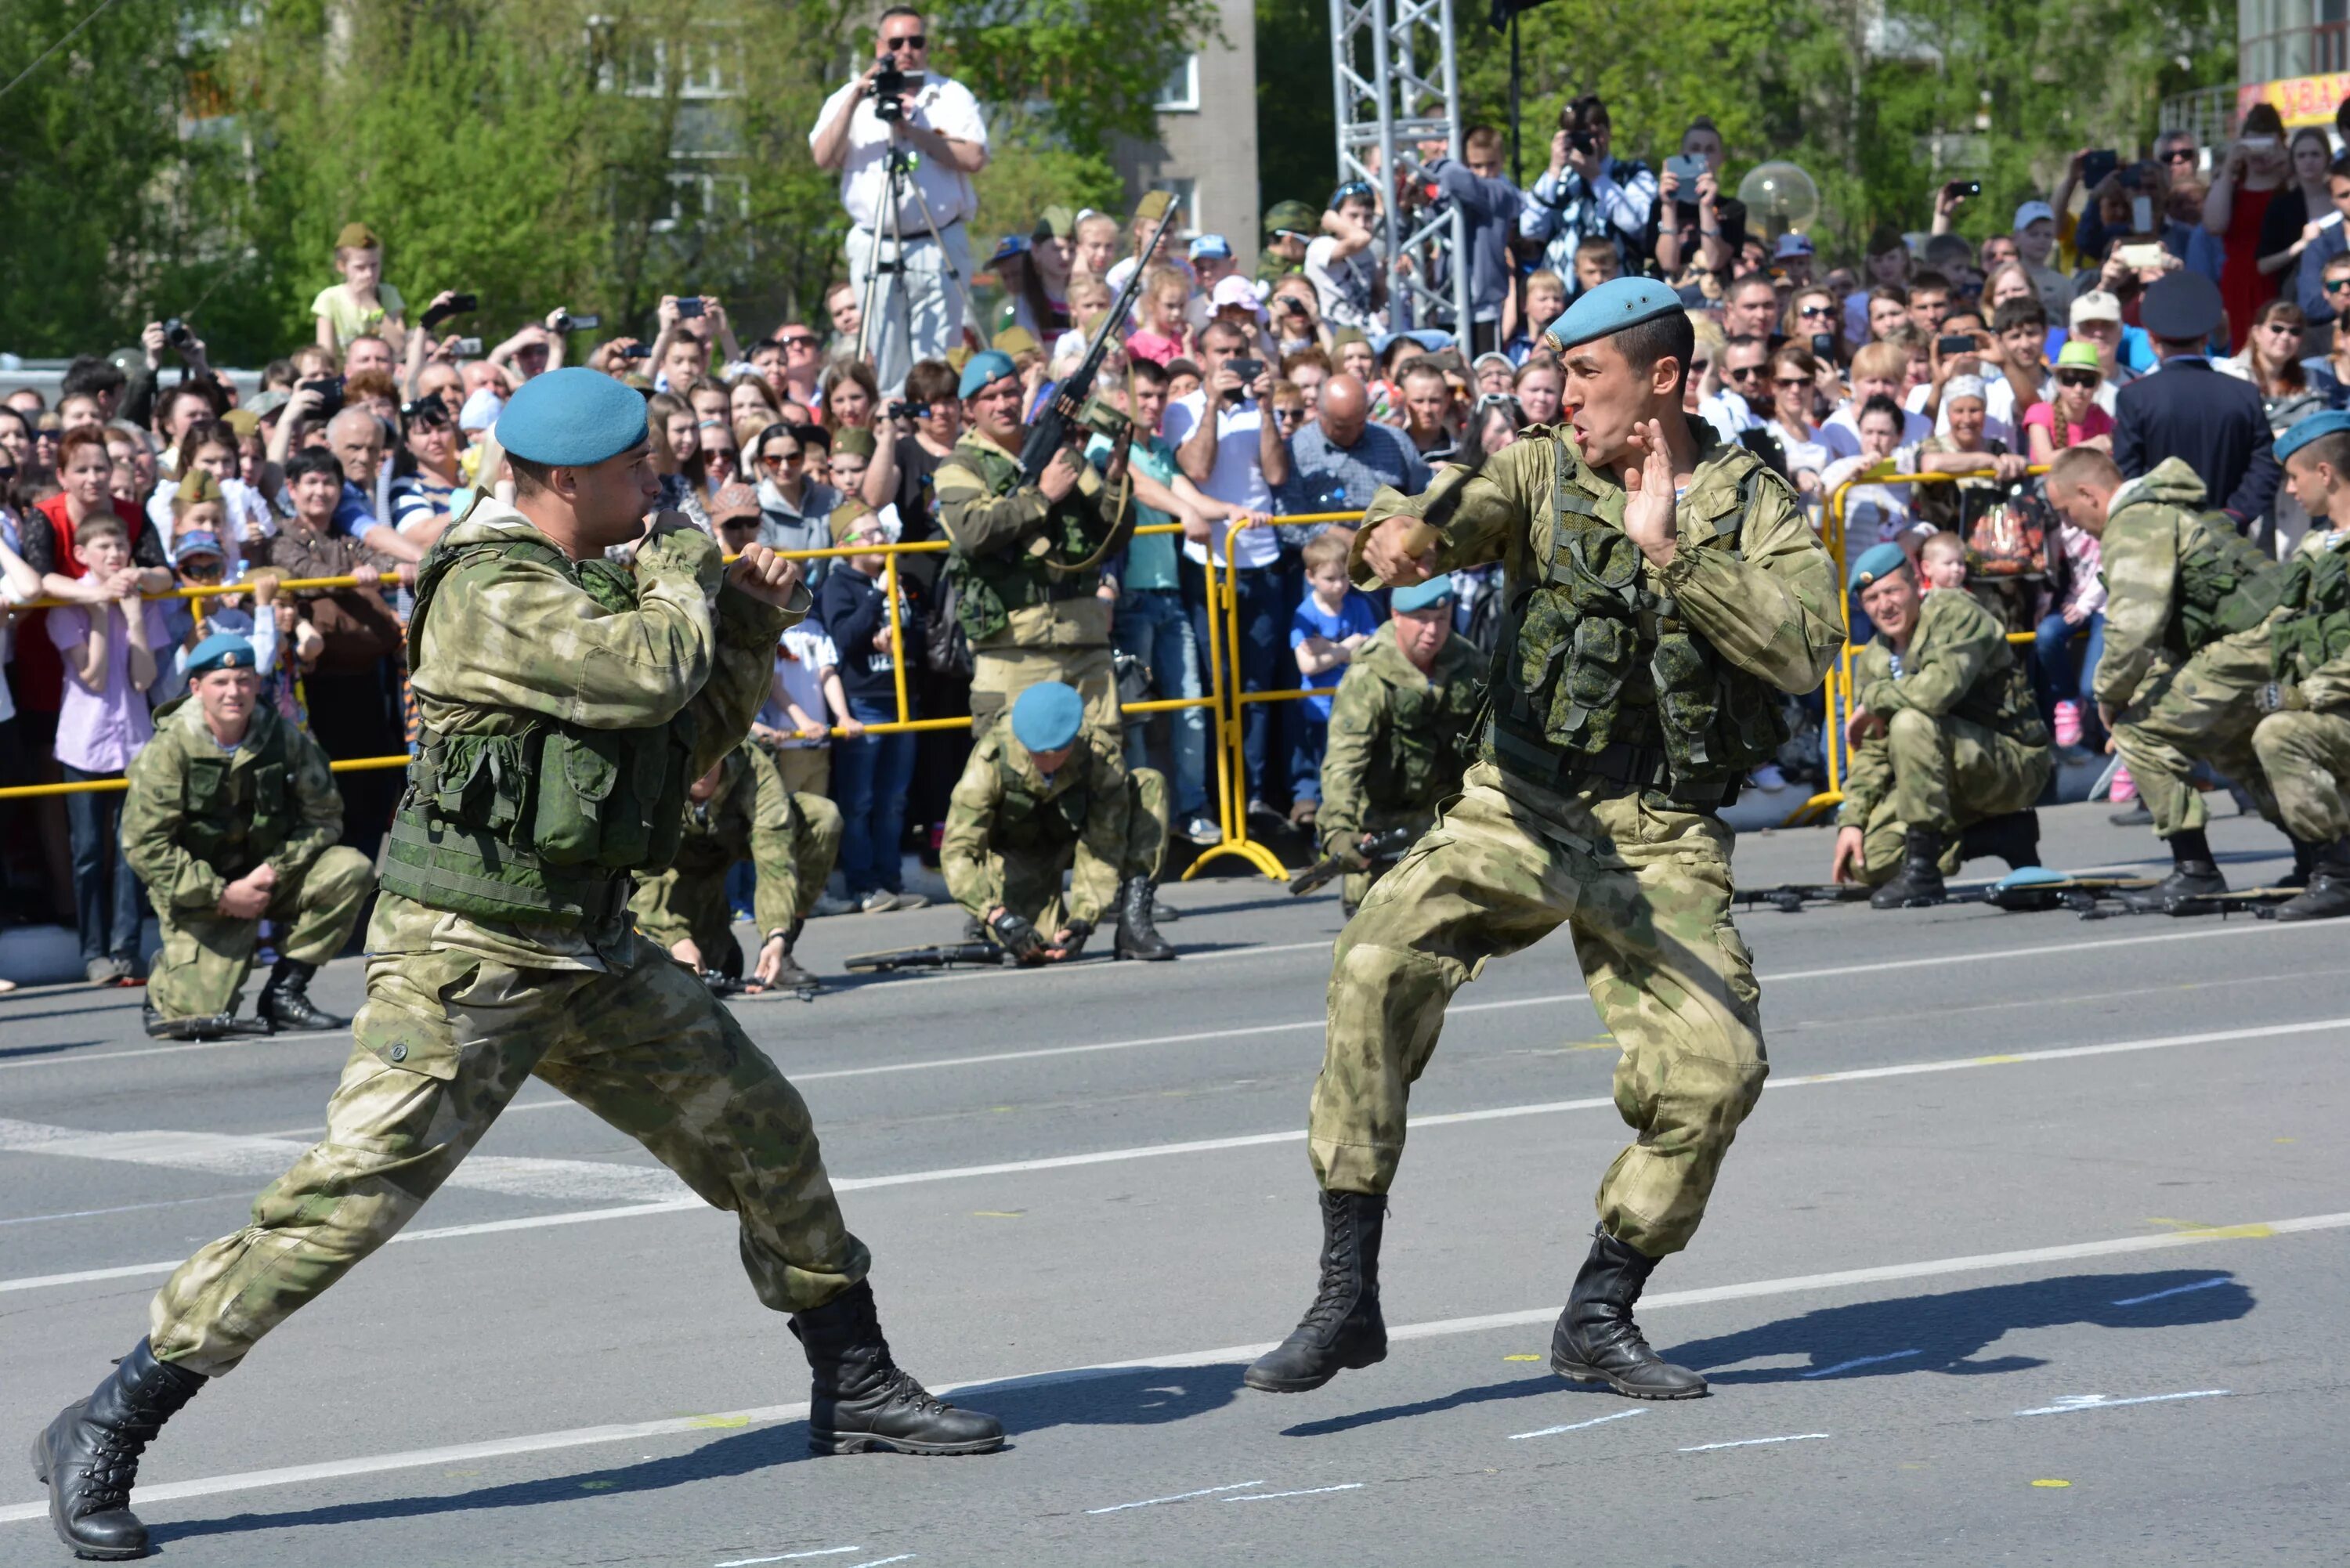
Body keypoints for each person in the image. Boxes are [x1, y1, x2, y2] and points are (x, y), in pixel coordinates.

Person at [29, 367, 1006, 1563]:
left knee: (763, 1126)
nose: (656, 484)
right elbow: (649, 668)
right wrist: (685, 573)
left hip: (587, 941)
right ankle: (108, 1420)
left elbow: (685, 745)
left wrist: (743, 619)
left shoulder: (589, 581)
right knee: (343, 1205)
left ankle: (853, 1377)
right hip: (470, 958)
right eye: (634, 470)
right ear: (558, 481)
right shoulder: (491, 588)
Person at [1244, 277, 1842, 1402]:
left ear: (1660, 377)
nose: (1563, 394)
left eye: (1585, 373)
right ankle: (1346, 1292)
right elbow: (1453, 514)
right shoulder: (1539, 466)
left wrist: (1673, 554)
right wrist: (1410, 544)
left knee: (1719, 1073)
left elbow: (1804, 649)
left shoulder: (1748, 499)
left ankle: (1600, 1308)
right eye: (1558, 373)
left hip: (1659, 829)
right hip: (1518, 801)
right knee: (1375, 957)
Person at [2044, 444, 2287, 910]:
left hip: (2248, 648)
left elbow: (2136, 627)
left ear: (2088, 494)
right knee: (2239, 749)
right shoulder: (2170, 506)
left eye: (2066, 511)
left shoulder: (2133, 524)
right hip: (2266, 645)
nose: (2068, 524)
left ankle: (2194, 869)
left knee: (2140, 734)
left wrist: (2110, 697)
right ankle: (2321, 856)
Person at [120, 632, 374, 1039]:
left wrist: (271, 873)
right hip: (202, 895)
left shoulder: (283, 736)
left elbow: (325, 817)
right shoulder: (169, 750)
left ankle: (285, 991)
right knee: (196, 1016)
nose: (233, 692)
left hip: (270, 880)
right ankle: (166, 980)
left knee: (351, 869)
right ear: (197, 689)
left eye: (243, 680)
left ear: (257, 684)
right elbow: (145, 845)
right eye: (221, 682)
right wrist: (221, 894)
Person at [1828, 544, 2051, 907]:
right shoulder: (1874, 658)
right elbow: (1872, 751)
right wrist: (1850, 820)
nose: (1883, 605)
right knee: (1868, 860)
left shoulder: (1956, 614)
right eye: (1871, 598)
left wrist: (1875, 699)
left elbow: (1938, 691)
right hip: (1937, 774)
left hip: (2009, 764)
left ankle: (1924, 872)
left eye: (1892, 591)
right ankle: (2001, 836)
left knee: (1910, 722)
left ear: (1917, 584)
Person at [936, 349, 1133, 750]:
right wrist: (1042, 496)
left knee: (1102, 758)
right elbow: (973, 530)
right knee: (1011, 761)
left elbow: (1112, 534)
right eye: (989, 397)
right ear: (969, 407)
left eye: (1010, 392)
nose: (1004, 404)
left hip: (1083, 637)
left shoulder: (1062, 454)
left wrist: (1115, 479)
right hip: (1014, 645)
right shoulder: (960, 465)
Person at [808, 5, 989, 389]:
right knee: (883, 347)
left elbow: (974, 157)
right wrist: (859, 94)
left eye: (916, 41)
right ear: (879, 47)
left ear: (926, 46)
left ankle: (935, 421)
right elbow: (823, 156)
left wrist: (912, 129)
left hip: (937, 238)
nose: (907, 50)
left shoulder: (951, 95)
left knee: (939, 355)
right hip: (877, 242)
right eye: (896, 43)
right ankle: (894, 425)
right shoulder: (849, 99)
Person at [940, 680, 1173, 963]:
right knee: (1038, 947)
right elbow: (957, 849)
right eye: (1038, 754)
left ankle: (1134, 925)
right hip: (1020, 852)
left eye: (1058, 754)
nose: (1047, 764)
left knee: (1148, 785)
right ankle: (986, 919)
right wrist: (995, 915)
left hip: (1074, 838)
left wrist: (1085, 917)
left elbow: (1105, 843)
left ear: (1073, 739)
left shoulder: (1099, 755)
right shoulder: (992, 759)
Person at [1098, 359, 1227, 844]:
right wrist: (1189, 512)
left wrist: (1237, 511)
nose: (1152, 406)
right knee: (1134, 715)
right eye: (1143, 397)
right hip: (1128, 598)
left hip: (1168, 596)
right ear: (1120, 401)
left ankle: (1192, 809)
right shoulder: (1105, 446)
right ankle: (1141, 818)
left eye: (1158, 397)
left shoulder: (1159, 451)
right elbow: (1139, 484)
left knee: (1191, 704)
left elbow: (1183, 491)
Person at [1312, 573, 1483, 913]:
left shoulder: (1468, 662)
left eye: (1442, 619)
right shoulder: (1370, 675)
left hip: (1444, 831)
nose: (1432, 632)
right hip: (1379, 836)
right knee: (1372, 956)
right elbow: (1344, 763)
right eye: (1421, 620)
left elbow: (1489, 748)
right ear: (1396, 616)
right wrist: (1339, 832)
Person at [49, 510, 169, 985]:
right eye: (103, 547)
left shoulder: (140, 599)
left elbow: (143, 678)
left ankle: (125, 949)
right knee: (87, 850)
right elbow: (93, 675)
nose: (115, 554)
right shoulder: (66, 606)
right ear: (82, 555)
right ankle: (93, 951)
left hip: (135, 742)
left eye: (120, 545)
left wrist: (135, 616)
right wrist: (99, 613)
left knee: (129, 850)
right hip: (83, 742)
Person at [629, 739, 832, 995]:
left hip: (737, 838)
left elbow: (776, 859)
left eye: (709, 763)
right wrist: (675, 939)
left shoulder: (754, 767)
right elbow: (637, 873)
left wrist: (777, 934)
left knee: (822, 817)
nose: (701, 771)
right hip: (679, 863)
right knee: (707, 967)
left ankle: (779, 957)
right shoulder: (654, 770)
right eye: (694, 764)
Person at [2253, 411, 2350, 919]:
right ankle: (2316, 860)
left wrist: (2303, 695)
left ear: (2326, 474)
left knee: (2279, 735)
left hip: (2335, 707)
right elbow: (2276, 628)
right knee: (2245, 728)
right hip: (2338, 714)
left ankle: (2338, 873)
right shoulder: (2317, 547)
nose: (2289, 490)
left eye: (2295, 476)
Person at [819, 505, 927, 913]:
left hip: (901, 700)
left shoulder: (897, 580)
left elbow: (917, 637)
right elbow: (844, 637)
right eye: (868, 535)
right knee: (859, 800)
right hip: (863, 702)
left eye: (881, 532)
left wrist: (900, 637)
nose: (880, 540)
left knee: (894, 800)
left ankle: (891, 880)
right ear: (844, 546)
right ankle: (863, 885)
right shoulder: (840, 583)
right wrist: (878, 596)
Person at [2114, 270, 2283, 529]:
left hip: (2161, 535)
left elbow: (2128, 473)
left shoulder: (2135, 397)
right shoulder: (2243, 394)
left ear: (2152, 339)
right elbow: (2265, 466)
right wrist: (2234, 514)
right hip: (2229, 541)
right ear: (2206, 338)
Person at [1286, 531, 1381, 827]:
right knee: (1321, 769)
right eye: (1330, 578)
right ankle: (1320, 828)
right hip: (1319, 707)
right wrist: (1344, 648)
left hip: (1353, 704)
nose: (1340, 585)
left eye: (1343, 576)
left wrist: (1327, 649)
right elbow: (1307, 665)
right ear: (1311, 576)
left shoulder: (1358, 605)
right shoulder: (1305, 614)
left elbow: (1372, 651)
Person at [1521, 95, 1654, 282]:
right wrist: (1554, 169)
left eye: (1597, 134)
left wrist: (1597, 177)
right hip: (1563, 300)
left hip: (1621, 296)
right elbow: (1530, 229)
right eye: (1582, 134)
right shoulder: (1558, 179)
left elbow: (1638, 224)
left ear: (1609, 132)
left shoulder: (1633, 173)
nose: (1592, 142)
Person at [2205, 104, 2293, 351]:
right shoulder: (2234, 185)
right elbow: (2214, 224)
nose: (2260, 155)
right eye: (2254, 146)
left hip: (2278, 275)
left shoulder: (2288, 184)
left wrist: (2286, 164)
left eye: (2267, 145)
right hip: (2239, 280)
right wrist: (2229, 168)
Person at [312, 222, 406, 358]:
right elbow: (326, 356)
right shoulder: (329, 299)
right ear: (342, 267)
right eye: (360, 267)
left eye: (374, 266)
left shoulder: (388, 294)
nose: (369, 274)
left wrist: (372, 305)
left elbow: (400, 346)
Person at [1307, 180, 1387, 334]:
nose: (1362, 224)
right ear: (1336, 217)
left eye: (1368, 218)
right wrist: (1332, 220)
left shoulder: (1367, 254)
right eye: (1353, 216)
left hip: (1365, 333)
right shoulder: (1321, 245)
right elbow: (1361, 238)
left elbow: (1379, 299)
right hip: (1335, 333)